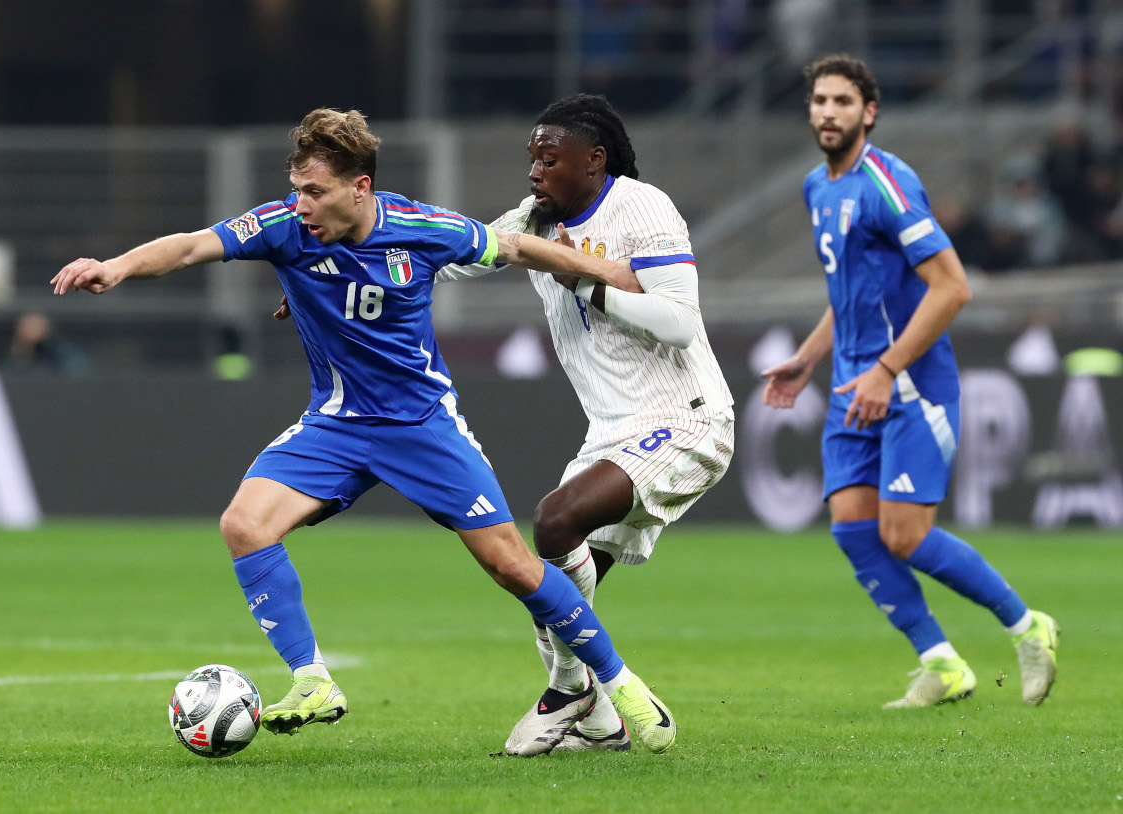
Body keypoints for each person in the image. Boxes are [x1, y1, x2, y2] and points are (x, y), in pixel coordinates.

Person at [50, 107, 678, 753]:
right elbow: (189, 246)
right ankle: (313, 680)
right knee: (245, 524)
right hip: (337, 424)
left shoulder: (421, 227)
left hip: (420, 425)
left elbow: (516, 247)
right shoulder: (282, 227)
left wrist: (606, 271)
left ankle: (621, 683)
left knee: (512, 565)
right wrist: (118, 265)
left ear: (361, 188)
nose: (301, 205)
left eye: (315, 191)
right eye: (297, 189)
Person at [761, 55, 1060, 708]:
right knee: (852, 528)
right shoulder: (818, 185)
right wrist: (809, 357)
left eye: (843, 101)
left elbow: (953, 288)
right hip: (850, 385)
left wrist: (887, 369)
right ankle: (942, 663)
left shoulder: (888, 184)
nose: (828, 112)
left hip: (909, 386)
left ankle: (1028, 626)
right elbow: (851, 293)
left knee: (904, 535)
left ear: (869, 112)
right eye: (819, 101)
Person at [439, 93, 735, 754]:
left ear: (593, 161)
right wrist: (344, 272)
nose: (535, 171)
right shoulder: (534, 222)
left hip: (685, 418)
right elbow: (453, 258)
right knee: (552, 595)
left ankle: (570, 690)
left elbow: (679, 321)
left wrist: (580, 278)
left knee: (553, 523)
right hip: (609, 434)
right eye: (532, 159)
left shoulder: (642, 206)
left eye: (551, 158)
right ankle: (600, 725)